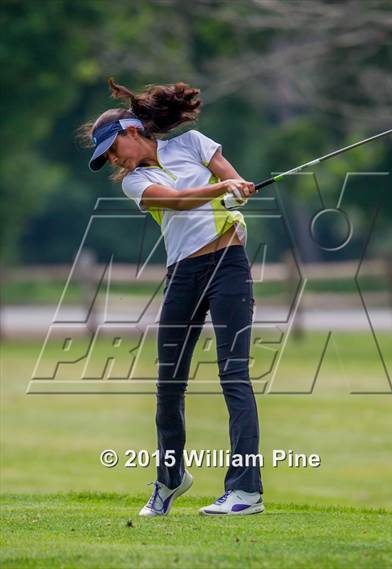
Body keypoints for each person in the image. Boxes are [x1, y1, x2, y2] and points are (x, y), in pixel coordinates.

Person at [78, 78, 264, 516]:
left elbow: (230, 177)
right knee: (169, 383)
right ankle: (170, 478)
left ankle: (245, 491)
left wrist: (237, 185)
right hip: (184, 273)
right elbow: (178, 201)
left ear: (130, 131)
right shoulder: (134, 182)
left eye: (110, 148)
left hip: (228, 264)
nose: (111, 160)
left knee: (233, 375)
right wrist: (221, 190)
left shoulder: (195, 143)